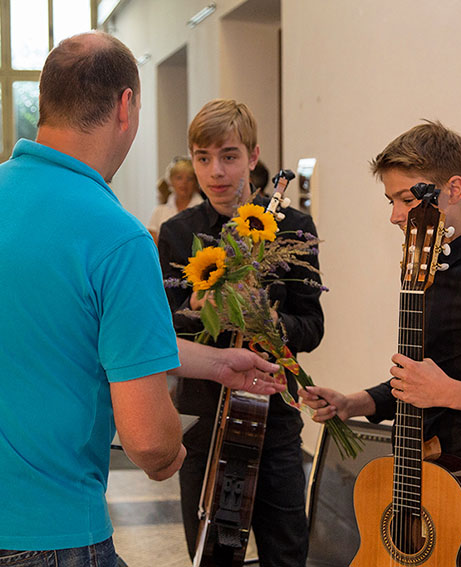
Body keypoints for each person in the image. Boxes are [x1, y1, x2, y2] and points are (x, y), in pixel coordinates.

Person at [0, 32, 283, 567]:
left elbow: (64, 333)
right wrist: (172, 450)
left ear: (45, 102)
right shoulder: (116, 234)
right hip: (36, 528)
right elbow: (148, 440)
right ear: (125, 105)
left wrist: (216, 363)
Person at [298, 120, 461, 566]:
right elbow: (422, 381)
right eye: (391, 201)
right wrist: (355, 402)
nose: (395, 215)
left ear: (453, 189)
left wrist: (450, 393)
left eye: (406, 199)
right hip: (417, 468)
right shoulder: (425, 267)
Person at [157, 99, 324, 567]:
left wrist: (264, 317)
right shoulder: (176, 233)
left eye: (229, 156)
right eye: (203, 158)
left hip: (275, 420)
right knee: (210, 555)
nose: (215, 172)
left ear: (253, 157)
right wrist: (196, 309)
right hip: (203, 422)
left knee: (286, 553)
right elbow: (160, 331)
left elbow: (312, 328)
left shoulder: (293, 228)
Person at [147, 156, 203, 242]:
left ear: (196, 182)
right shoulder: (159, 211)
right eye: (179, 178)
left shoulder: (204, 211)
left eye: (190, 178)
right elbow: (152, 243)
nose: (184, 182)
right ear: (170, 181)